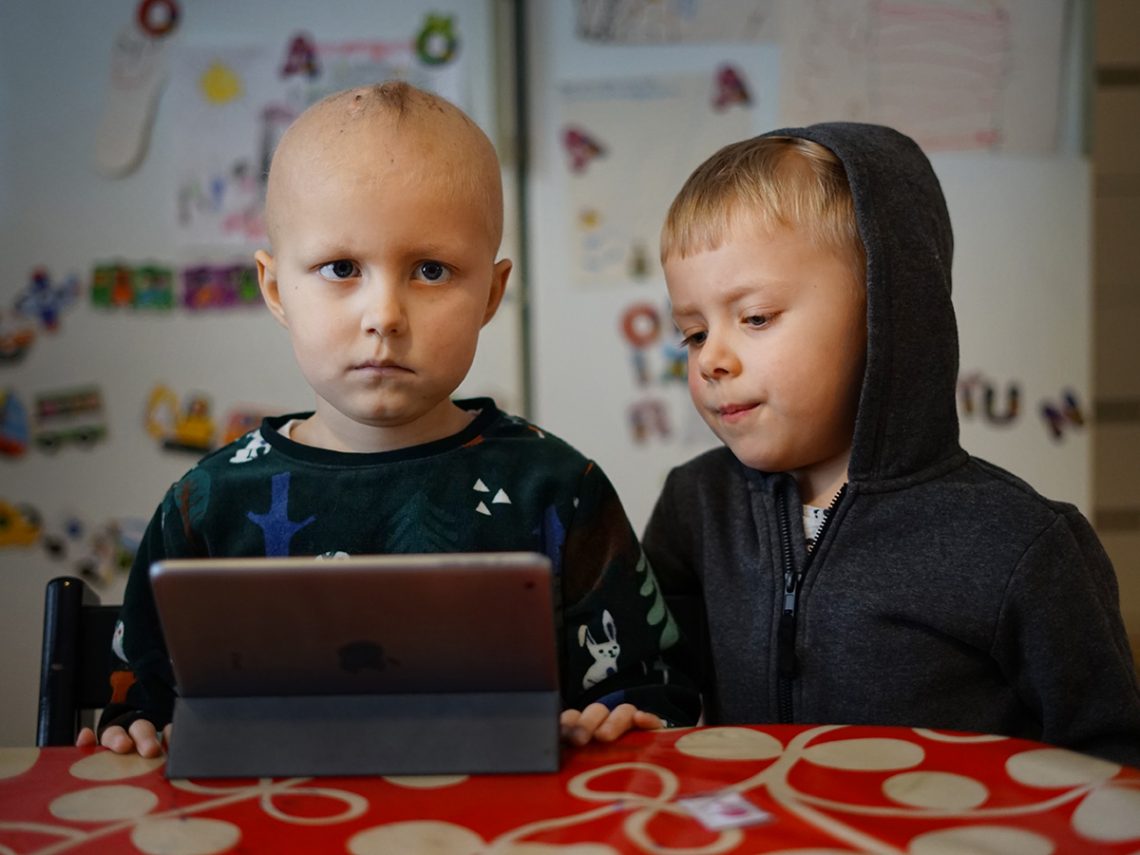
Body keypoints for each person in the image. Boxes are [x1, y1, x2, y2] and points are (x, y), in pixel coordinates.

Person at [79, 81, 698, 758]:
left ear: (491, 293)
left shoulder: (558, 489)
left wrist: (622, 719)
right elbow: (136, 698)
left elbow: (651, 694)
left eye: (430, 270)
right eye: (341, 267)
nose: (385, 316)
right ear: (278, 288)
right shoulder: (207, 504)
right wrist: (131, 725)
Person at [643, 121, 1140, 766]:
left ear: (888, 308)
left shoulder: (1021, 543)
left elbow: (1111, 763)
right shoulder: (696, 504)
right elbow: (655, 678)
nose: (713, 359)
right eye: (692, 333)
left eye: (756, 317)